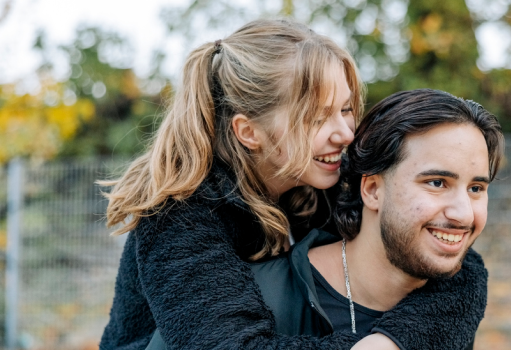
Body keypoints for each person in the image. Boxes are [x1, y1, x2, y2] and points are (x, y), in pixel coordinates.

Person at [99, 19, 487, 350]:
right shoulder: (179, 218)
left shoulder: (324, 176)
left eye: (346, 109)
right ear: (249, 132)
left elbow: (461, 266)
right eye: (316, 119)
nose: (345, 133)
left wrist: (394, 339)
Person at [144, 88, 503, 350]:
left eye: (476, 189)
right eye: (437, 183)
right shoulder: (240, 304)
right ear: (373, 190)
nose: (463, 213)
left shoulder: (449, 305)